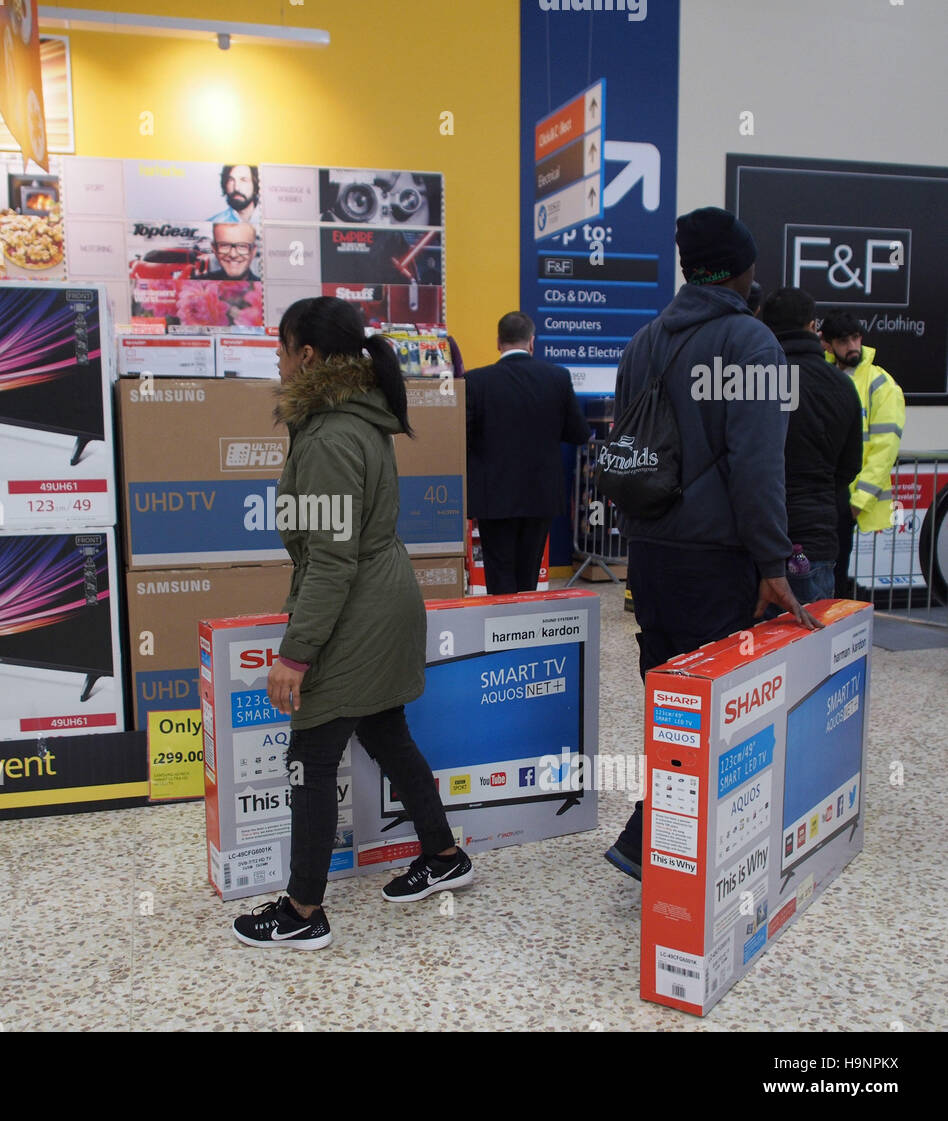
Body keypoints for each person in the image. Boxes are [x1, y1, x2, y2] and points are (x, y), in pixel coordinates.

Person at [232, 296, 472, 950]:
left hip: (358, 609)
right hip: (382, 596)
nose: (277, 364)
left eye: (281, 349)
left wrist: (296, 654)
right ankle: (444, 854)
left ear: (306, 355)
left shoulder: (330, 435)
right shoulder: (352, 416)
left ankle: (303, 909)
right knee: (387, 733)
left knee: (310, 756)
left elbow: (332, 561)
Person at [603, 207, 820, 882]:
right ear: (742, 270)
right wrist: (773, 560)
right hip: (716, 559)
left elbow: (626, 447)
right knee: (722, 710)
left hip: (651, 552)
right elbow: (759, 467)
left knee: (670, 699)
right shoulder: (751, 342)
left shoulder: (642, 342)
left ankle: (654, 840)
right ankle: (689, 852)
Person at [465, 311, 590, 594]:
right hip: (540, 493)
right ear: (532, 342)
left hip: (493, 496)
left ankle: (503, 634)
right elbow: (578, 433)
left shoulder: (475, 381)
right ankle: (525, 632)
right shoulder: (557, 377)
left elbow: (463, 437)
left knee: (498, 571)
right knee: (529, 572)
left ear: (498, 342)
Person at [761, 287, 863, 603]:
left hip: (761, 533)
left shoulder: (755, 379)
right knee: (811, 643)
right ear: (811, 326)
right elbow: (850, 466)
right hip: (815, 536)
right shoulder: (842, 385)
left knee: (751, 646)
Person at [818, 311, 906, 598]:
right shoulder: (820, 374)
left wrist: (858, 503)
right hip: (819, 496)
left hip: (848, 499)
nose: (853, 346)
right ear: (828, 344)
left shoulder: (881, 384)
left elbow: (885, 449)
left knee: (836, 577)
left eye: (856, 338)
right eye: (844, 341)